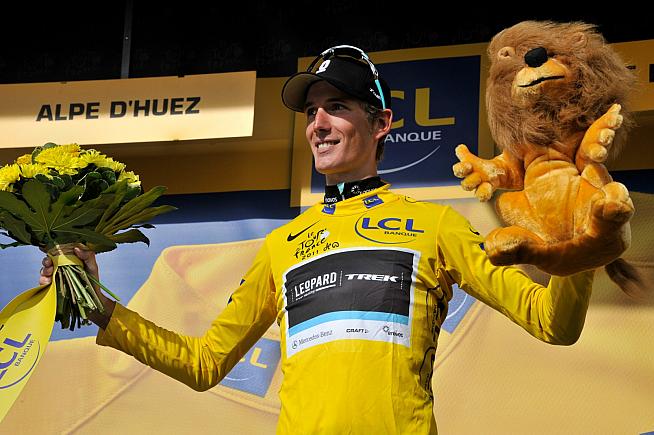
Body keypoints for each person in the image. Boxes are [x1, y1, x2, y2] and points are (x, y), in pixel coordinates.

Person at [40, 45, 594, 434]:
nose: (318, 124)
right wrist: (99, 306)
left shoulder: (437, 226)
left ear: (381, 123)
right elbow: (205, 363)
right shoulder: (282, 245)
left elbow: (552, 323)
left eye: (338, 107)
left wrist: (583, 249)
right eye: (312, 111)